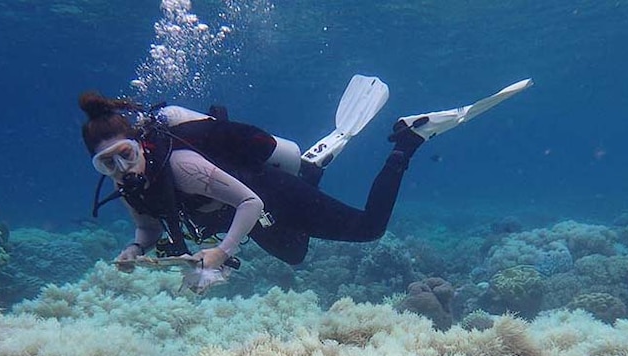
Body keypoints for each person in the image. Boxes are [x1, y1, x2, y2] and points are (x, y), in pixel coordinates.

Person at [79, 77, 532, 274]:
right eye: (107, 164)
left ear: (139, 143)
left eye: (124, 154)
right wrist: (135, 246)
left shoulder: (183, 166)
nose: (122, 168)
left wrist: (221, 251)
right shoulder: (125, 186)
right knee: (295, 255)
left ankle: (409, 141)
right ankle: (311, 168)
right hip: (248, 215)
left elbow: (250, 204)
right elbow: (147, 225)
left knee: (369, 229)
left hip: (265, 196)